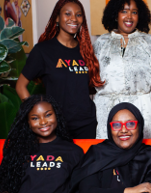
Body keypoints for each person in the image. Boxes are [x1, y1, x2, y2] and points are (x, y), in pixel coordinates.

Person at [15, 0, 102, 139]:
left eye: (78, 15)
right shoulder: (43, 51)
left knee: (86, 161)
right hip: (58, 126)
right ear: (57, 17)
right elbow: (20, 86)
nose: (73, 18)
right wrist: (39, 114)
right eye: (67, 14)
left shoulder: (85, 50)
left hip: (87, 124)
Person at [93, 0, 151, 139]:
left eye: (134, 12)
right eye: (124, 11)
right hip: (108, 111)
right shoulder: (100, 45)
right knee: (110, 156)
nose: (129, 16)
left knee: (144, 156)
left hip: (143, 111)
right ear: (115, 14)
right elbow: (89, 80)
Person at [0, 95, 84, 193]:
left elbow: (83, 187)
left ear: (56, 115)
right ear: (28, 122)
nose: (43, 122)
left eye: (48, 115)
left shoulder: (73, 151)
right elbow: (3, 188)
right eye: (35, 118)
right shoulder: (17, 151)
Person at [70, 102, 151, 193]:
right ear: (110, 129)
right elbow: (87, 190)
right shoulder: (97, 153)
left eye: (130, 124)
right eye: (116, 125)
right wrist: (129, 191)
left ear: (140, 126)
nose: (124, 130)